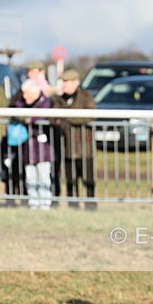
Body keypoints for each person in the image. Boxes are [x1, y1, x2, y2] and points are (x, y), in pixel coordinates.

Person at [53, 68, 97, 209]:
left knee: (88, 179)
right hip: (67, 145)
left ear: (75, 83)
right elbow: (52, 117)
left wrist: (67, 119)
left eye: (67, 82)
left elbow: (90, 115)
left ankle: (91, 206)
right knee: (70, 179)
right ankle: (73, 206)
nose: (64, 85)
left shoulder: (86, 96)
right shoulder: (60, 99)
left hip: (85, 146)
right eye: (63, 82)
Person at [12, 79, 54, 209]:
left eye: (27, 93)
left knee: (43, 176)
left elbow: (40, 117)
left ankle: (45, 203)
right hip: (28, 147)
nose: (24, 96)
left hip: (43, 147)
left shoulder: (46, 102)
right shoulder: (22, 103)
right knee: (30, 176)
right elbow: (14, 109)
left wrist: (28, 118)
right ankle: (33, 202)